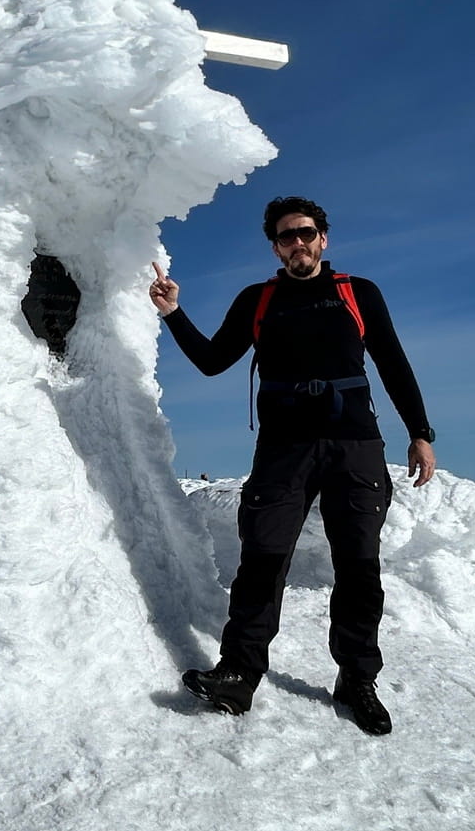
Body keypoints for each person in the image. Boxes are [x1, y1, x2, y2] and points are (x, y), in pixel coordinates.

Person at [149, 196, 438, 736]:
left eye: (305, 233)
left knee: (358, 568)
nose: (297, 243)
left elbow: (394, 362)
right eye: (285, 236)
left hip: (355, 446)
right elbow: (213, 362)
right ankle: (238, 673)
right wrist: (173, 313)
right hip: (283, 450)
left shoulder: (357, 292)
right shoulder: (258, 299)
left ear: (323, 238)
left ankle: (357, 679)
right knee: (262, 562)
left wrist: (420, 433)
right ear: (275, 247)